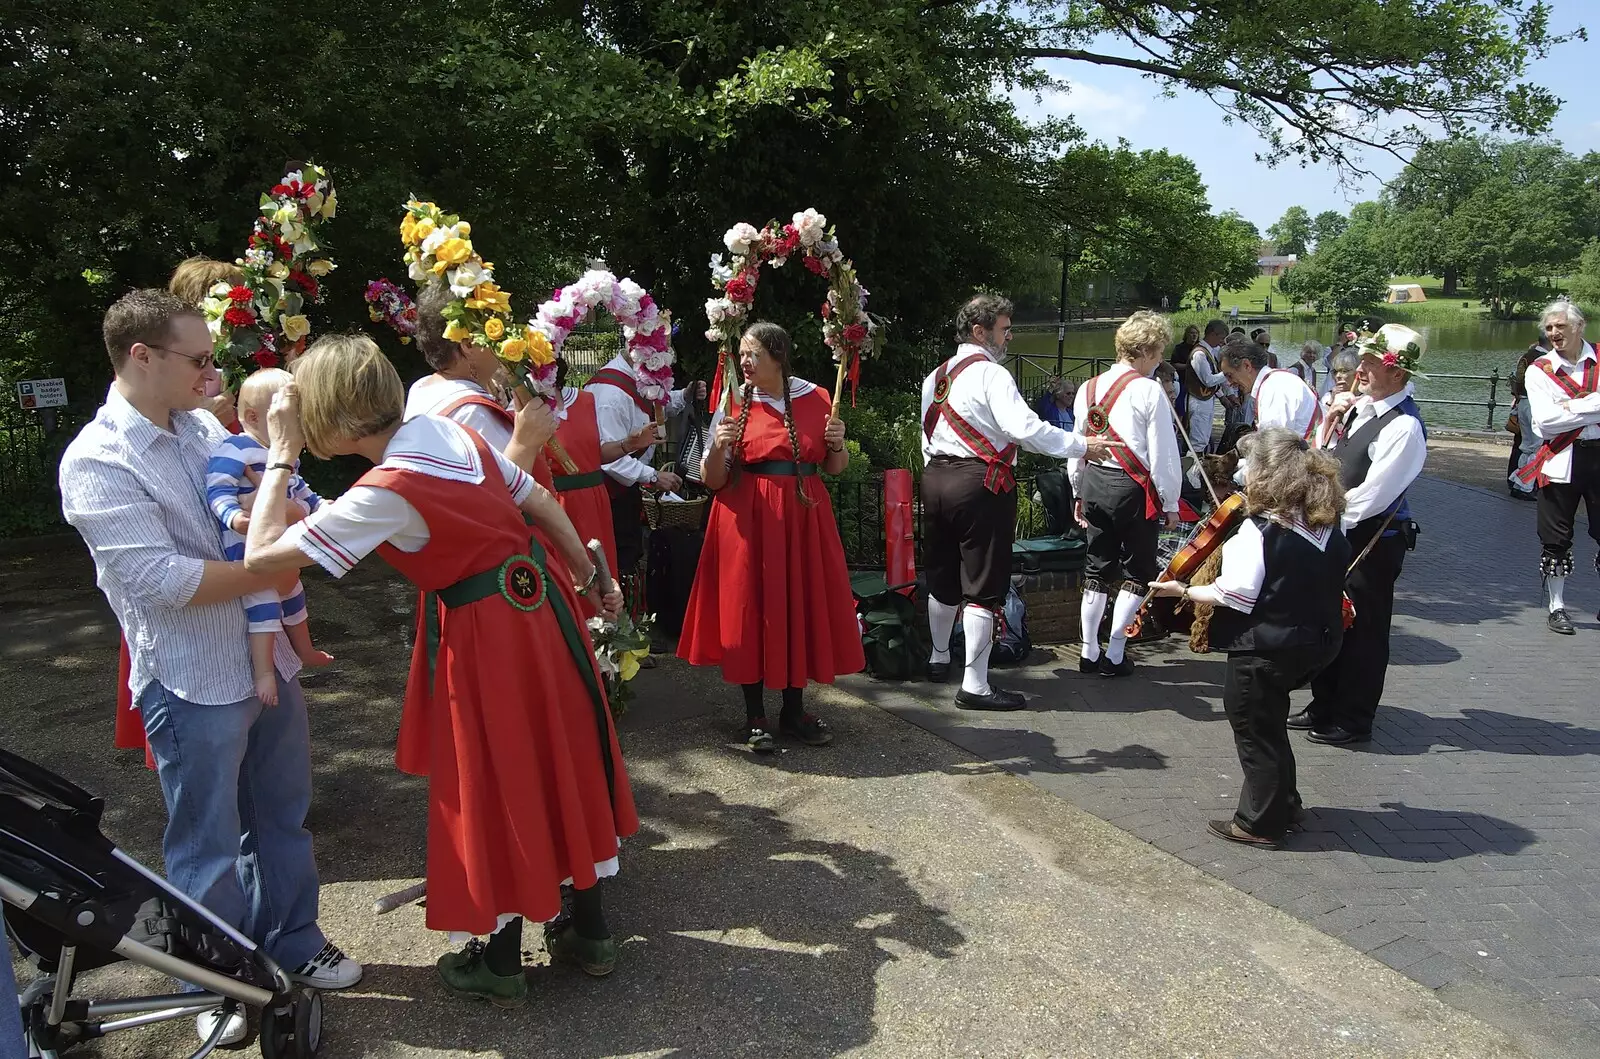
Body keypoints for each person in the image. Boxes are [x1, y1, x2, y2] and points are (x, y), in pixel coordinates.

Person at [244, 334, 636, 1006]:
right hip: (542, 609)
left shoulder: (384, 492)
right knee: (559, 755)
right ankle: (591, 932)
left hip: (488, 637)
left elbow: (260, 557)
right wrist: (587, 572)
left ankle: (503, 962)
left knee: (498, 774)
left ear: (334, 420)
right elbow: (535, 500)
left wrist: (280, 454)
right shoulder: (450, 434)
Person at [59, 291, 360, 1048]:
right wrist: (283, 557)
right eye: (199, 359)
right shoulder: (97, 459)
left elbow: (269, 502)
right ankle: (215, 977)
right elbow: (169, 581)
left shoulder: (201, 428)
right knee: (207, 843)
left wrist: (294, 512)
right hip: (191, 680)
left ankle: (292, 939)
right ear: (142, 357)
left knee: (281, 816)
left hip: (267, 663)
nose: (212, 372)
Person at [1150, 428, 1350, 848]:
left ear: (1268, 474)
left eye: (1251, 465)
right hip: (1320, 642)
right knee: (1271, 724)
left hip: (1267, 647)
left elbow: (1234, 596)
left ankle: (1260, 823)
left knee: (1255, 729)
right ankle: (1287, 804)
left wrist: (1184, 591)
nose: (1243, 472)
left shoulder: (1258, 531)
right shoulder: (1328, 524)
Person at [920, 294, 1116, 709]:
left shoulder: (936, 376)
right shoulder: (992, 375)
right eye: (1004, 329)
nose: (1008, 338)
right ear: (980, 331)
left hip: (935, 478)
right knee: (981, 584)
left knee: (941, 574)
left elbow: (927, 435)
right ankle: (975, 686)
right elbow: (1023, 429)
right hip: (980, 484)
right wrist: (1080, 445)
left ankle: (938, 659)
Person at [678, 322, 863, 749]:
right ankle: (754, 715)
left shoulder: (817, 397)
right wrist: (719, 447)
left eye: (753, 353)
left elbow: (834, 469)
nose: (744, 361)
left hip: (801, 516)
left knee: (795, 607)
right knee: (751, 609)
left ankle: (794, 712)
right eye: (742, 353)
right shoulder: (731, 401)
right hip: (747, 519)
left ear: (778, 356)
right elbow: (711, 480)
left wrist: (838, 445)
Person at [1292, 324, 1428, 746]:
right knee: (1332, 621)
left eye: (1371, 363)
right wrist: (1329, 421)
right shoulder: (1358, 409)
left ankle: (1354, 717)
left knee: (1365, 630)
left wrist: (1320, 515)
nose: (1360, 369)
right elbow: (1323, 459)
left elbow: (1374, 495)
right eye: (1362, 361)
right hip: (1337, 530)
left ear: (1398, 375)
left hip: (1371, 540)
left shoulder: (1403, 427)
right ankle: (1324, 701)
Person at [205, 368, 333, 705]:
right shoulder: (237, 448)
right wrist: (233, 518)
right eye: (286, 417)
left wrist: (321, 506)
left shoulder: (283, 453)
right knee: (262, 608)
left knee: (294, 593)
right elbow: (217, 490)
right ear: (252, 417)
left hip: (277, 547)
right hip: (245, 547)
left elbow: (300, 491)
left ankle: (304, 649)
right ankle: (264, 672)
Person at [1069, 310, 1183, 677]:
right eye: (1160, 352)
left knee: (1096, 566)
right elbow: (1163, 452)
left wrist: (1078, 493)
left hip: (1094, 484)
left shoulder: (1088, 388)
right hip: (1132, 489)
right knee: (1138, 569)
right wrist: (1169, 501)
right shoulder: (1149, 390)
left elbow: (1078, 447)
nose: (1161, 359)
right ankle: (1115, 654)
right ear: (1146, 351)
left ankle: (1088, 652)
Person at [1515, 302, 1600, 634]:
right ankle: (1557, 606)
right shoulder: (1539, 369)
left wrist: (1574, 406)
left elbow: (1561, 415)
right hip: (1561, 458)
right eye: (1549, 328)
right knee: (1556, 537)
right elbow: (1547, 422)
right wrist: (1595, 406)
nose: (1554, 333)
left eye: (1560, 326)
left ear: (1579, 326)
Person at [587, 344, 705, 578]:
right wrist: (653, 476)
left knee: (631, 549)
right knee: (621, 555)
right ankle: (621, 608)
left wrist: (684, 395)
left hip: (625, 486)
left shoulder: (638, 378)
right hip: (610, 491)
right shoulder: (611, 395)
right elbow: (608, 459)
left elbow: (655, 406)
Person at [549, 357, 660, 579]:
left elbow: (592, 455)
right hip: (556, 507)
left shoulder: (584, 400)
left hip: (594, 503)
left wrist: (628, 444)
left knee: (603, 574)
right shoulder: (520, 408)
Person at [1219, 339, 1321, 442]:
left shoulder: (1273, 389)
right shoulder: (1275, 380)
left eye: (1230, 375)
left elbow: (1274, 445)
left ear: (1247, 366)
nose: (1229, 383)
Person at [1507, 339, 1549, 501]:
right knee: (1537, 447)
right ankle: (1525, 485)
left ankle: (1518, 483)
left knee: (1526, 446)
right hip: (1535, 403)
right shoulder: (1545, 360)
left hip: (1523, 402)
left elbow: (1517, 380)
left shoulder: (1527, 355)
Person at [1184, 320, 1228, 453]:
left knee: (1204, 437)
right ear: (1213, 334)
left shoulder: (1209, 352)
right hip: (1198, 401)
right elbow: (1208, 380)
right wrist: (1227, 372)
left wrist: (1222, 396)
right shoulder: (1199, 354)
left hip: (1206, 400)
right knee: (1198, 440)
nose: (1222, 341)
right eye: (1221, 338)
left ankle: (1198, 469)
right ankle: (1192, 471)